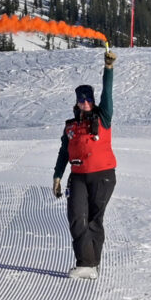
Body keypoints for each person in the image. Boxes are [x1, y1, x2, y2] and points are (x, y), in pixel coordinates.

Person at [52, 49, 118, 280]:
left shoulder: (103, 118)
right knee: (77, 217)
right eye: (82, 99)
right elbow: (63, 152)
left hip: (103, 175)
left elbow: (108, 95)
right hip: (78, 176)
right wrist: (57, 176)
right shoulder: (70, 126)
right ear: (77, 102)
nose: (86, 102)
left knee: (93, 220)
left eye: (89, 98)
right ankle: (86, 263)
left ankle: (90, 264)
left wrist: (108, 69)